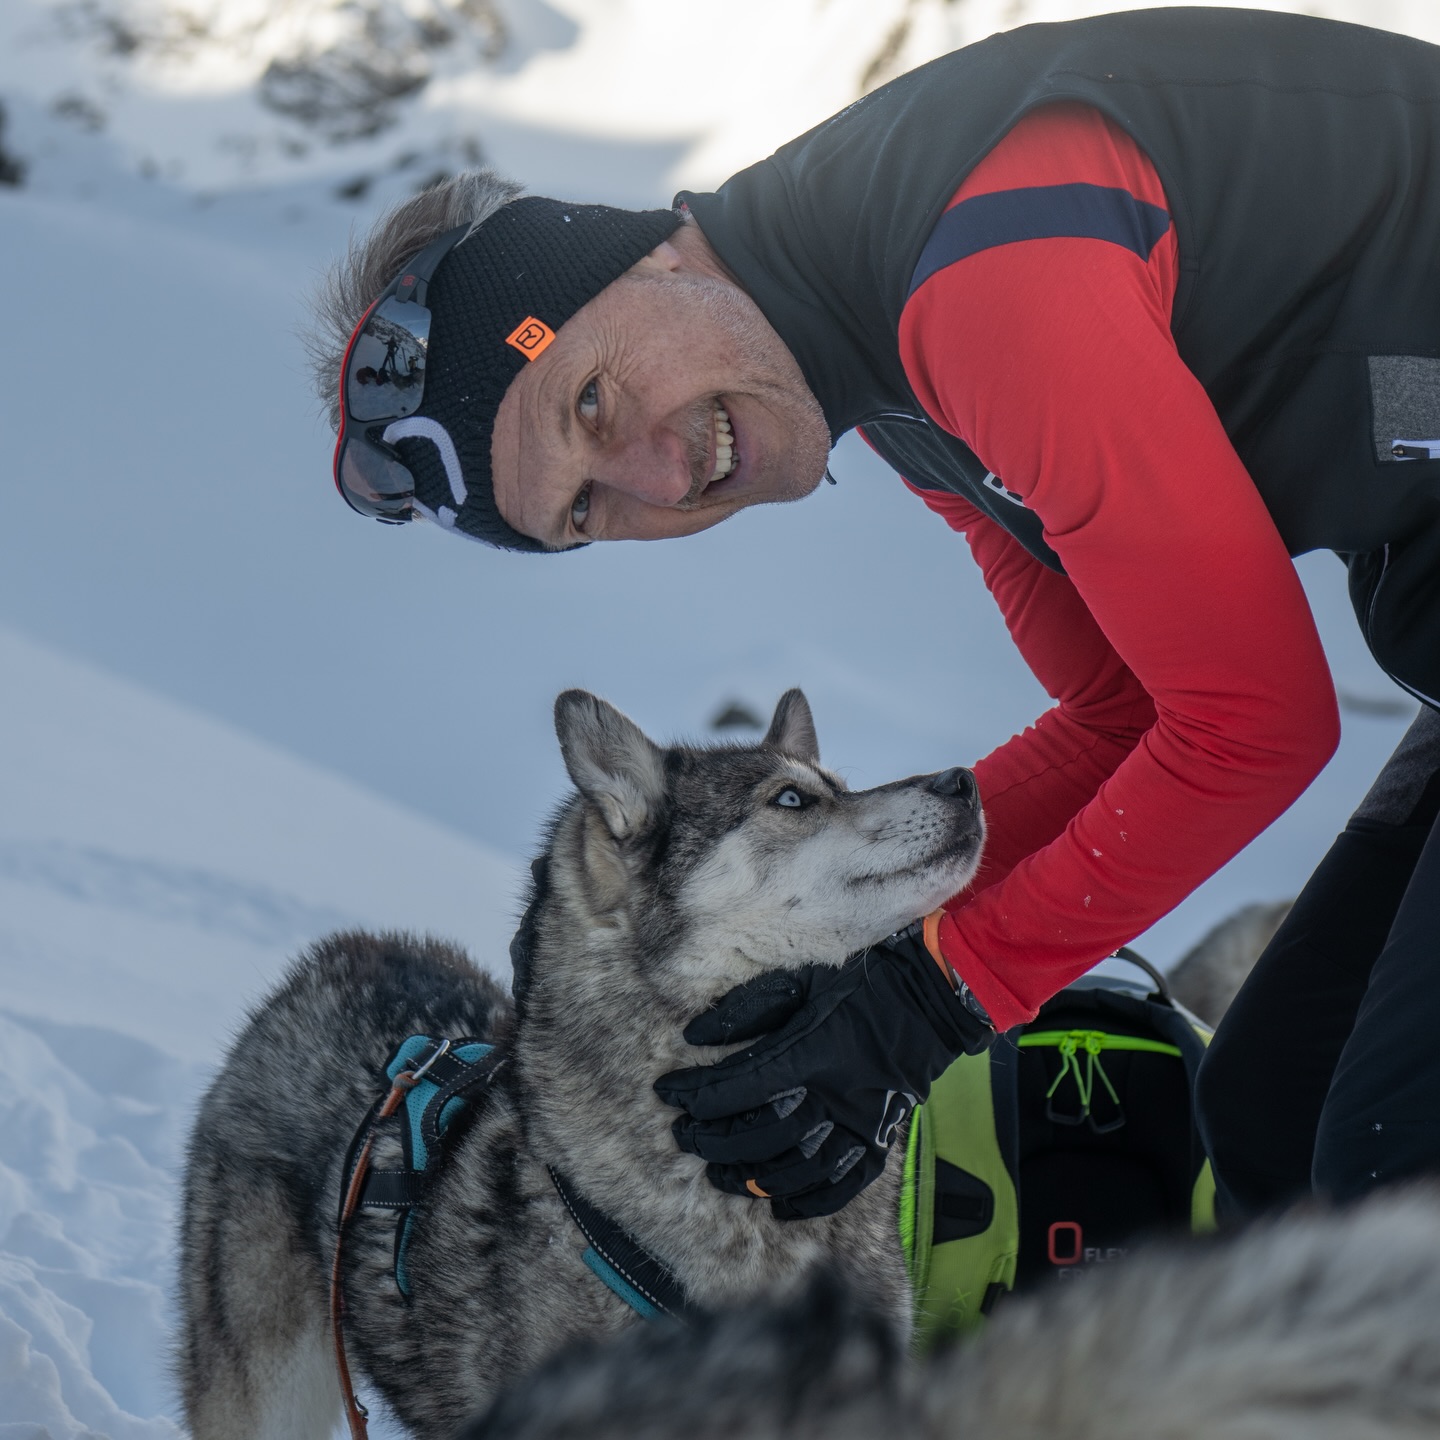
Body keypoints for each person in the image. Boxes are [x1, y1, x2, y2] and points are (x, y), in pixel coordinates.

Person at [310, 7, 1440, 1221]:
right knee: (1282, 1122)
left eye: (592, 400)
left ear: (641, 265)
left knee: (1393, 1163)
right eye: (587, 510)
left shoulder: (983, 284)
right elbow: (1119, 710)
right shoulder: (887, 382)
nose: (660, 479)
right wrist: (877, 934)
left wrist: (929, 1001)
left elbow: (1251, 725)